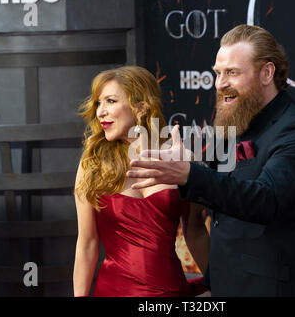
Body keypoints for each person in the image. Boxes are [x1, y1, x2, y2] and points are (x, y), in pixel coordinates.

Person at [126, 25, 295, 297]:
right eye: (218, 73)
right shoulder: (233, 124)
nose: (220, 83)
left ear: (267, 73)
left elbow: (264, 200)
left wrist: (188, 173)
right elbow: (217, 187)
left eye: (232, 72)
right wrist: (186, 165)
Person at [73, 66, 209, 297]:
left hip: (171, 291)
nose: (100, 112)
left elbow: (195, 232)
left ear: (141, 106)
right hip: (113, 290)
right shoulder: (92, 163)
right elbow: (87, 244)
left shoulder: (179, 158)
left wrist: (223, 283)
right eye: (98, 103)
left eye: (110, 101)